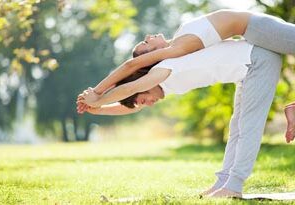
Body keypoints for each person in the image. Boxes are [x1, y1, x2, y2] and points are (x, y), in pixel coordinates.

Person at [78, 40, 282, 198]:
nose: (148, 104)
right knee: (236, 129)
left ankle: (234, 185)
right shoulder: (163, 84)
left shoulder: (163, 69)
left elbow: (130, 88)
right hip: (246, 71)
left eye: (144, 98)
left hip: (257, 61)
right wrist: (97, 110)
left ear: (143, 84)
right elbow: (132, 107)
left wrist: (97, 98)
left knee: (248, 127)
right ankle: (223, 183)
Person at [77, 9, 295, 140]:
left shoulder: (179, 47)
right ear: (153, 55)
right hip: (254, 30)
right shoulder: (175, 55)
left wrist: (97, 95)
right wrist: (97, 106)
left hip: (255, 27)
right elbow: (132, 94)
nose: (148, 36)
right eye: (145, 43)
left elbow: (131, 74)